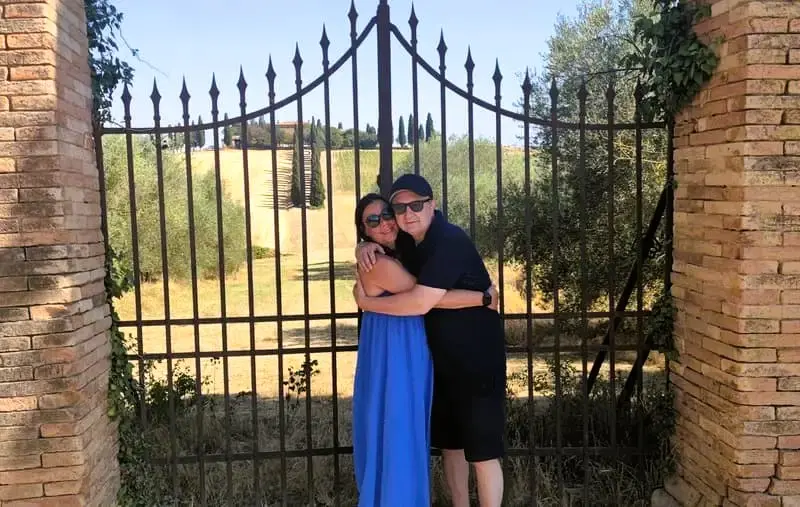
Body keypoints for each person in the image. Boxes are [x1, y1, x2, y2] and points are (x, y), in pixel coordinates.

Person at [354, 174, 506, 507]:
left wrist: (369, 303)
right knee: (452, 446)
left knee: (482, 451)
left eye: (416, 205)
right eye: (397, 209)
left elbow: (420, 301)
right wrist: (479, 298)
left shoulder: (448, 240)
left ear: (432, 205)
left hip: (475, 359)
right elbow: (418, 296)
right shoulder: (408, 245)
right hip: (440, 361)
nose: (406, 214)